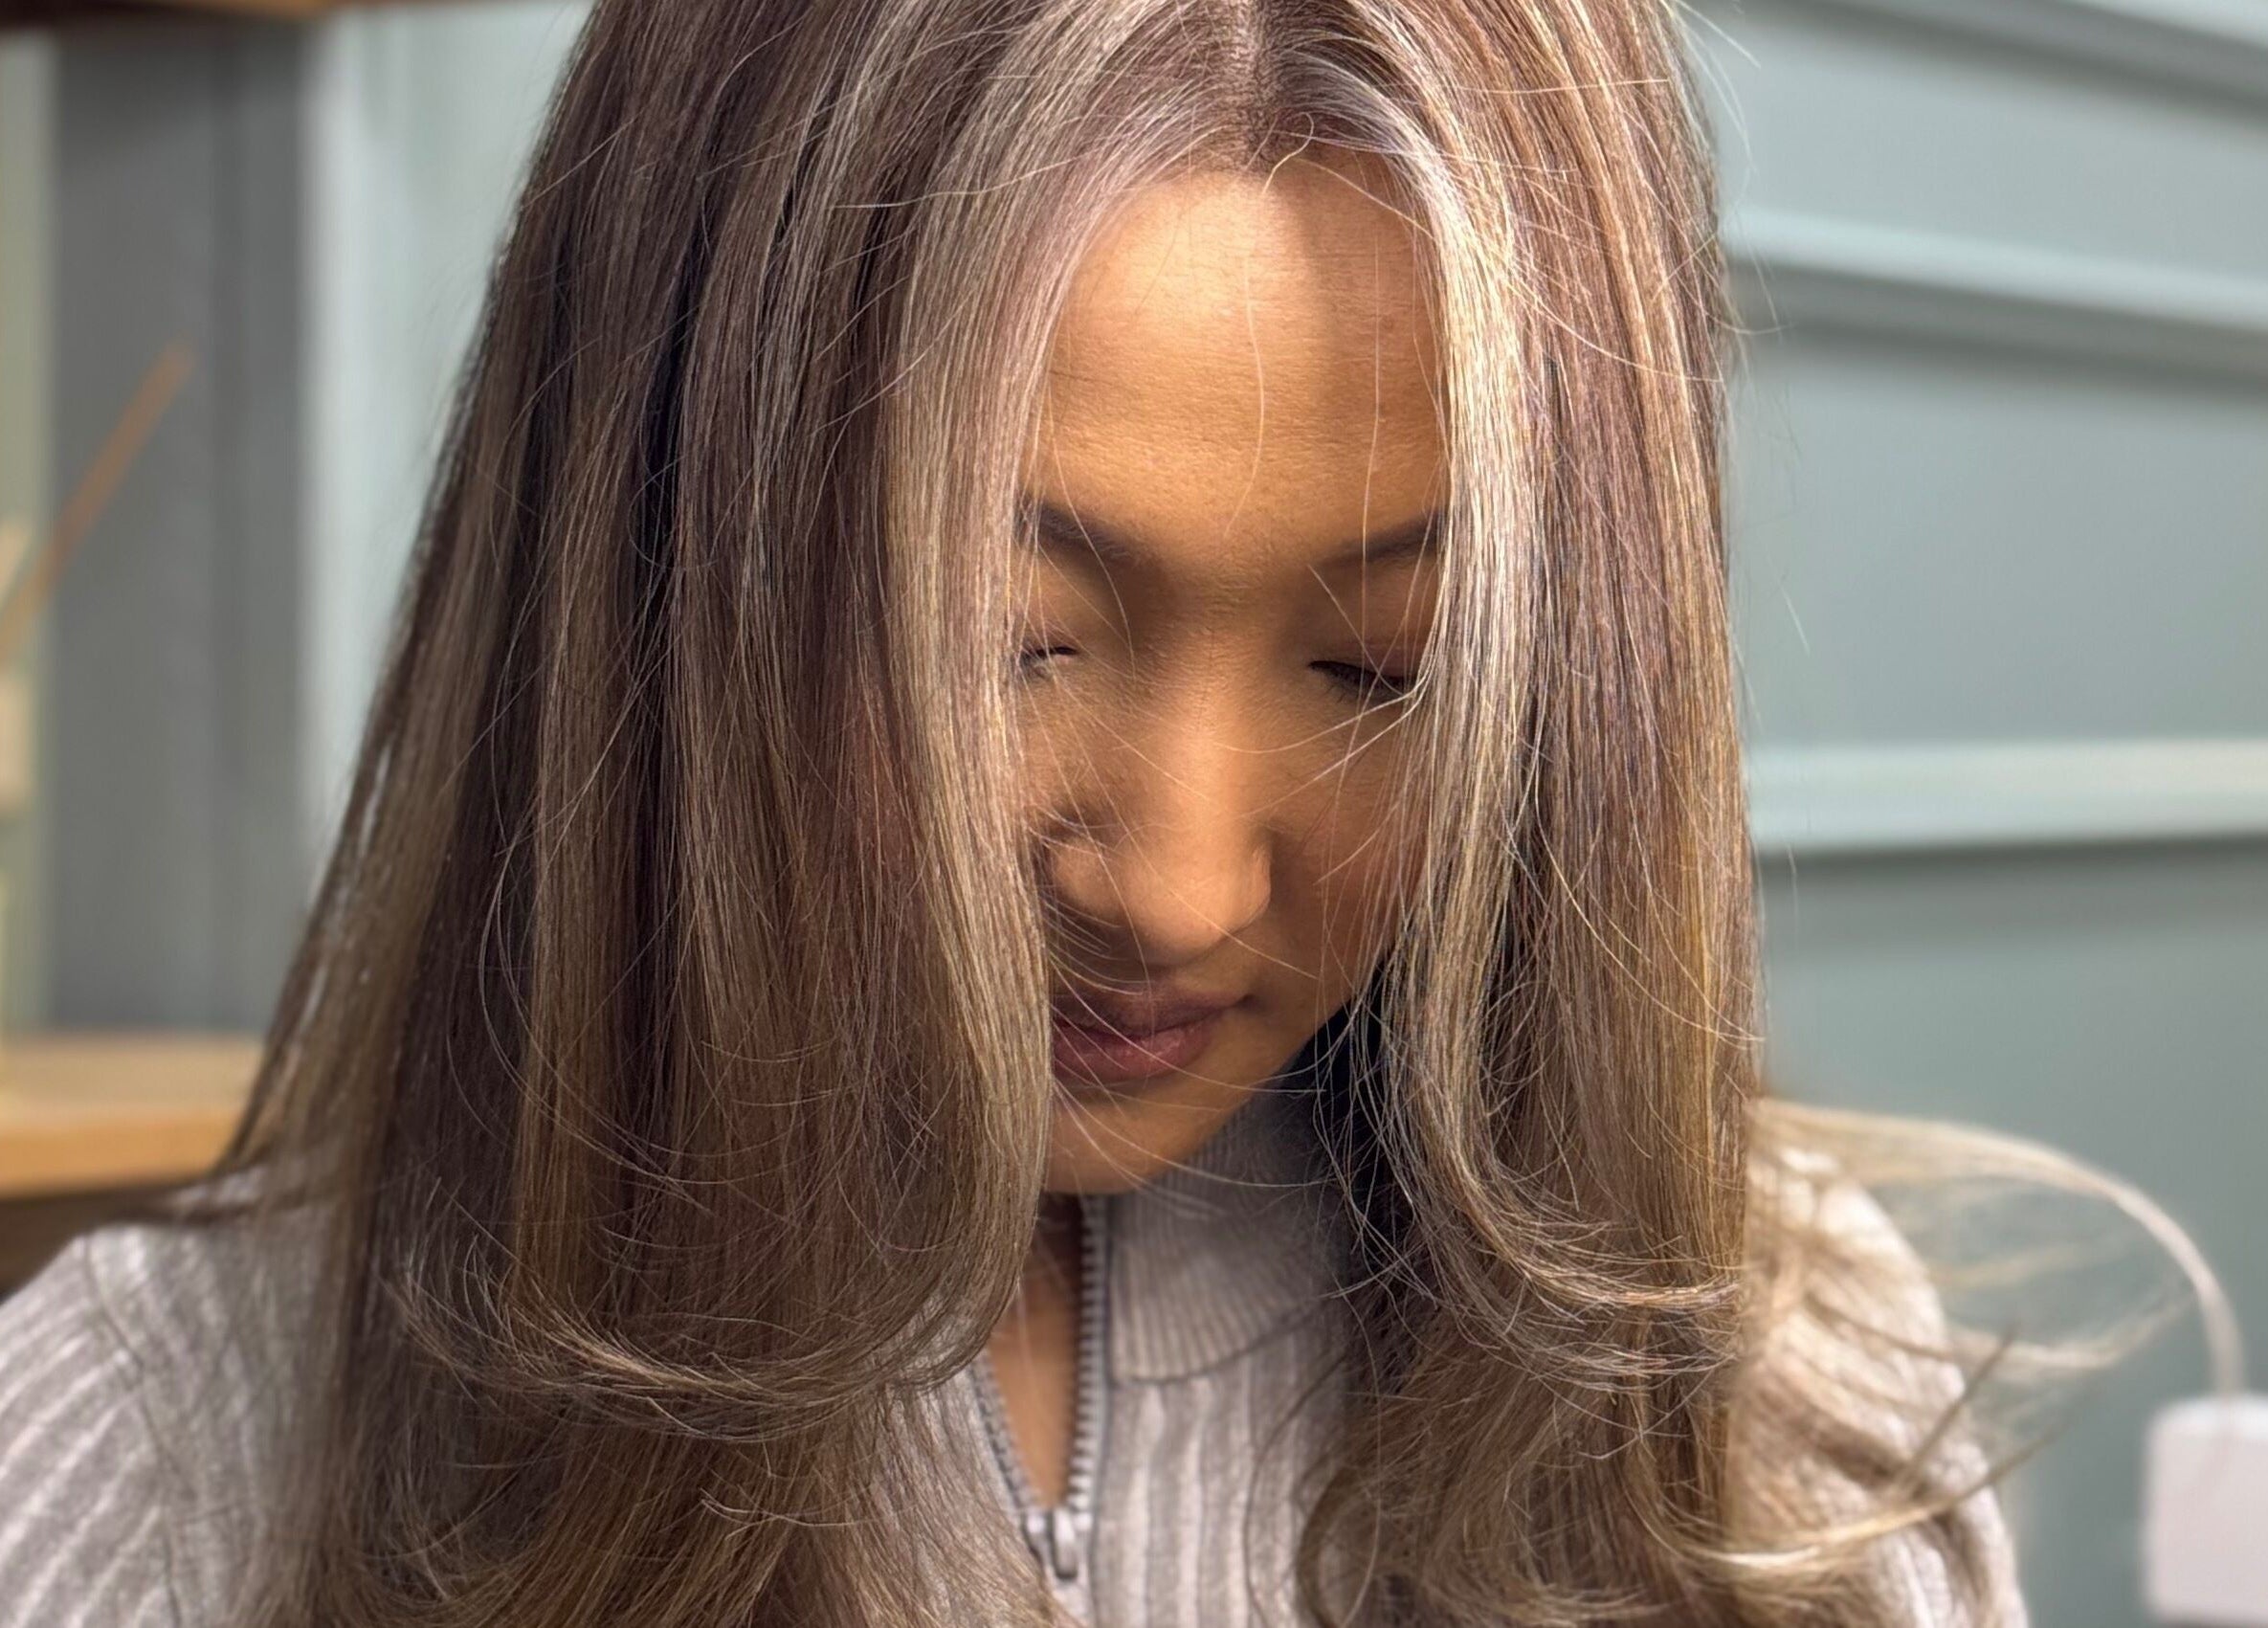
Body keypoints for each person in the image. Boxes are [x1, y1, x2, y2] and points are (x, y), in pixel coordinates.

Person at [0, 0, 2200, 1622]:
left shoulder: (1785, 1399)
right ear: (651, 578)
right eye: (1001, 634)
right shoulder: (147, 1458)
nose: (1172, 879)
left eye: (1381, 670)